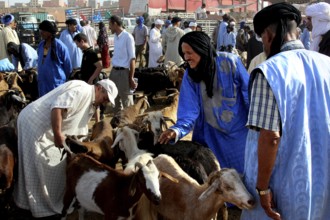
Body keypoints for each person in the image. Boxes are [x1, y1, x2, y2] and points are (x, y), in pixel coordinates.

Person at [241, 3, 330, 220]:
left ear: (269, 36)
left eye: (262, 38)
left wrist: (262, 188)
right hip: (323, 180)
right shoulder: (327, 64)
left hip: (282, 189)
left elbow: (270, 137)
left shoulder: (269, 71)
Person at [13, 79, 118, 218]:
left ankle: (41, 202)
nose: (105, 102)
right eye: (105, 98)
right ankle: (37, 206)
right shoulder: (82, 90)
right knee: (37, 166)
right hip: (34, 124)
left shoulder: (91, 102)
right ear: (99, 88)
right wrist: (57, 134)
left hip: (45, 128)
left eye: (107, 101)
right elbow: (57, 107)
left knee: (52, 167)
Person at [159, 31, 250, 175]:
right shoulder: (190, 75)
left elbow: (248, 95)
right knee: (217, 180)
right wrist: (176, 130)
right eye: (183, 54)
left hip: (238, 138)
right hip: (210, 137)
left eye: (189, 52)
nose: (186, 57)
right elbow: (189, 110)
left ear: (201, 49)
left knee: (245, 178)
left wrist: (257, 127)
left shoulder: (231, 62)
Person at [108, 15, 136, 113]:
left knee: (127, 103)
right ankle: (118, 126)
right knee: (115, 101)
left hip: (124, 73)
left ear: (115, 24)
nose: (109, 27)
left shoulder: (128, 37)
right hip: (114, 72)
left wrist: (131, 78)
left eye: (110, 25)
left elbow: (132, 59)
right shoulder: (115, 37)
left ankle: (130, 126)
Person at [37, 20, 72, 97]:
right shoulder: (41, 45)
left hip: (56, 83)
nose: (41, 33)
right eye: (41, 30)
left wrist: (59, 79)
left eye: (43, 31)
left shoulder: (60, 46)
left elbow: (68, 66)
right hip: (43, 84)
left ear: (49, 32)